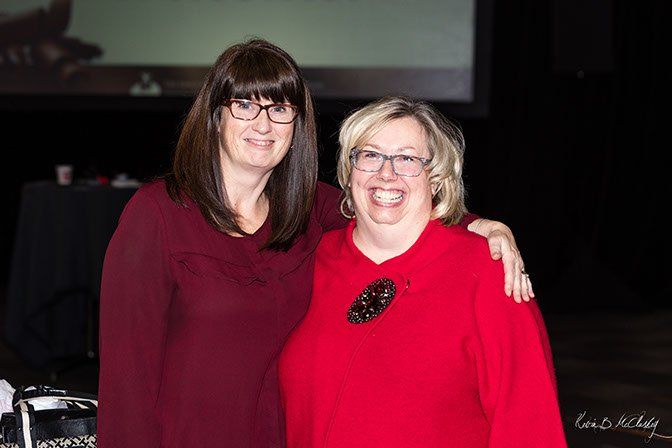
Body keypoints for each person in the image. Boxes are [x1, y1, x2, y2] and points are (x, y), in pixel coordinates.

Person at [98, 40, 533, 448]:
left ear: (297, 124)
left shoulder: (309, 210)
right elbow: (126, 377)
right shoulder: (156, 214)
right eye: (245, 105)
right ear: (215, 115)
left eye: (280, 109)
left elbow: (388, 202)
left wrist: (483, 226)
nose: (263, 124)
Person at [279, 96, 566, 447]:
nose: (386, 173)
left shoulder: (487, 271)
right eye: (370, 155)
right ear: (348, 172)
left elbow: (530, 426)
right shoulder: (310, 259)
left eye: (407, 159)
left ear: (437, 179)